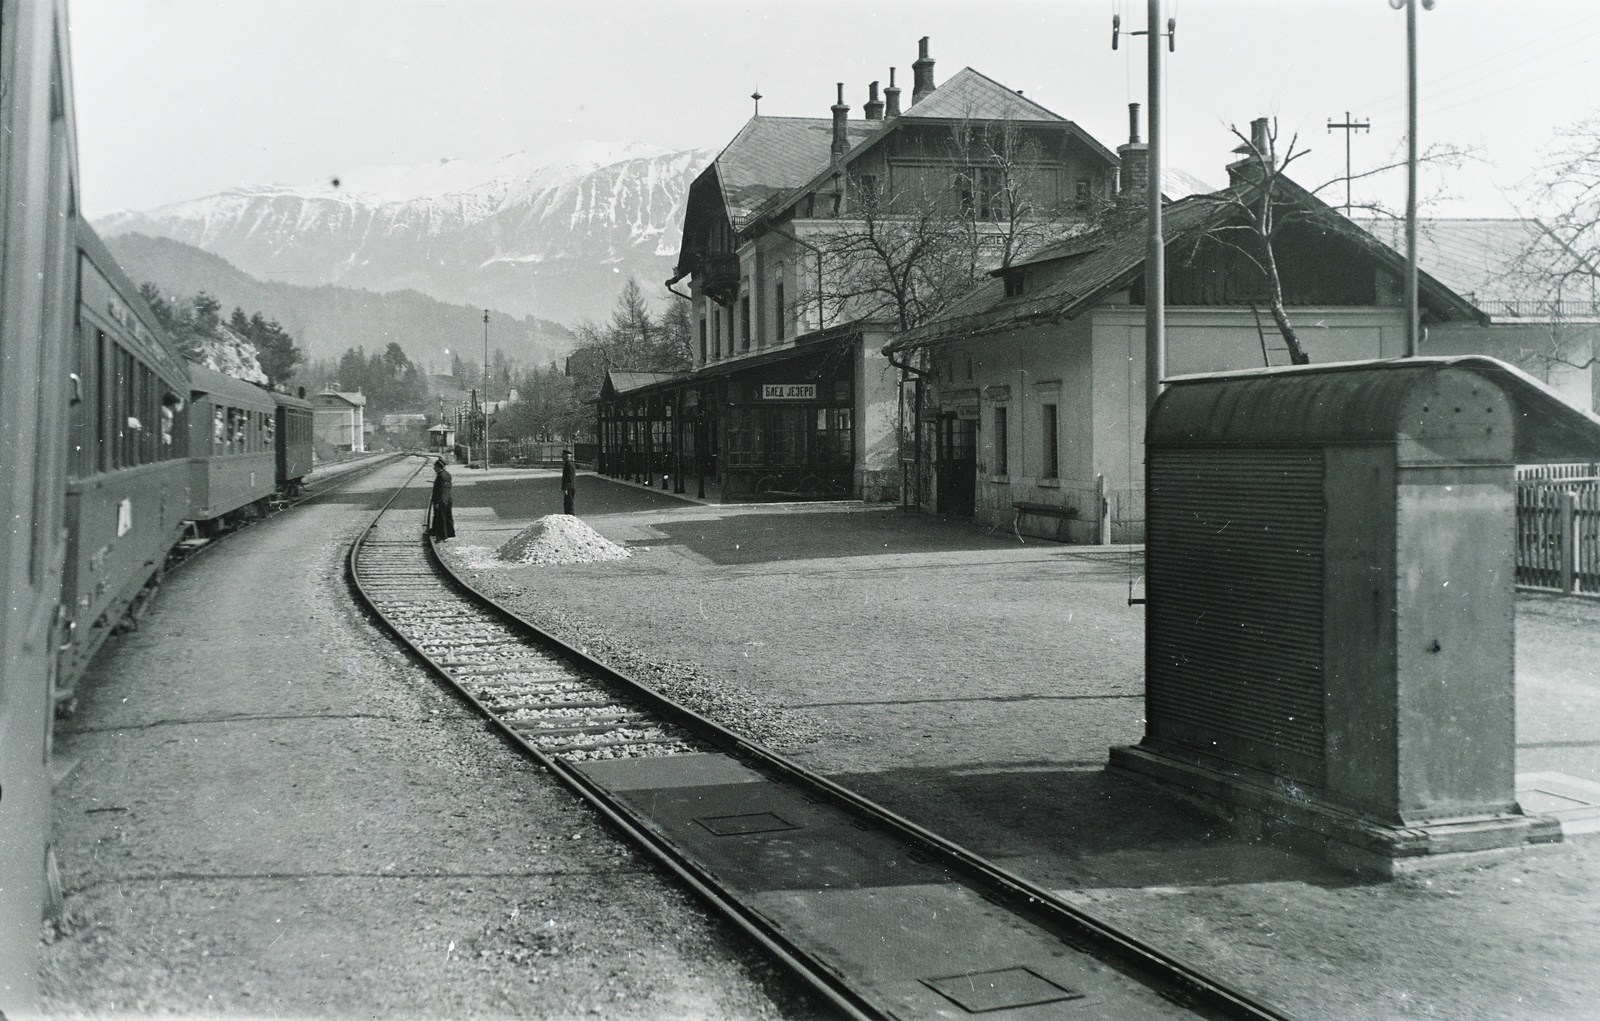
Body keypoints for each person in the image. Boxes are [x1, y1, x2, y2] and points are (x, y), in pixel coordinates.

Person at [429, 458, 455, 541]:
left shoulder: (440, 476)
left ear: (438, 467)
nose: (434, 468)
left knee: (440, 518)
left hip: (441, 500)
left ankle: (442, 537)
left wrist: (436, 502)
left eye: (435, 467)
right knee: (448, 516)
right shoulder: (448, 474)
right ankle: (450, 533)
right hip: (449, 499)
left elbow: (439, 491)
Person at [561, 449, 576, 516]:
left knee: (569, 503)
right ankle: (569, 515)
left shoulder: (568, 465)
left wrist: (566, 488)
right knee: (568, 503)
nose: (562, 457)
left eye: (563, 455)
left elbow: (569, 478)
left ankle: (570, 516)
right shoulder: (569, 464)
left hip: (569, 487)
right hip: (570, 487)